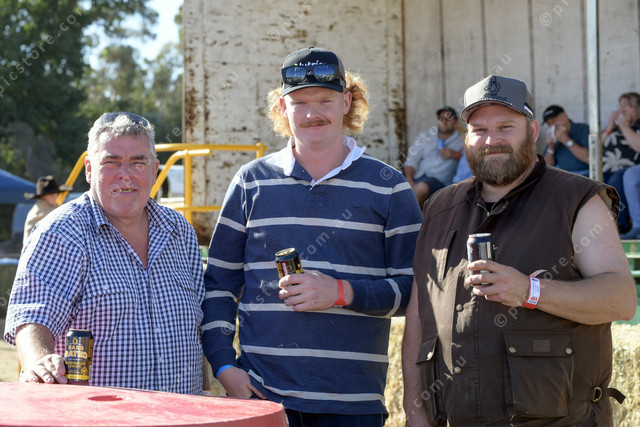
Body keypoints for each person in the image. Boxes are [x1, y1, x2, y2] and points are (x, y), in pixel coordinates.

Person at [201, 47, 422, 426]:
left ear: (347, 102)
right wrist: (224, 366)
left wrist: (340, 292)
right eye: (299, 102)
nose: (311, 113)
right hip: (262, 400)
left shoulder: (389, 187)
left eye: (324, 100)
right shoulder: (251, 182)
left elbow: (415, 294)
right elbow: (219, 285)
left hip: (353, 406)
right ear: (282, 107)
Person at [402, 75, 637, 426]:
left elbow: (621, 299)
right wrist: (415, 411)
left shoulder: (578, 199)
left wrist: (530, 291)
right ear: (466, 138)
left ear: (533, 130)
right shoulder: (439, 207)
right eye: (479, 129)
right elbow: (418, 316)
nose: (491, 140)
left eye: (505, 127)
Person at [4, 112, 205, 394]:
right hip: (99, 415)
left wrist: (206, 390)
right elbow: (33, 316)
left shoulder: (179, 231)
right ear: (89, 169)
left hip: (184, 412)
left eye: (138, 162)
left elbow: (196, 328)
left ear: (154, 170)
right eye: (111, 162)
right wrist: (40, 361)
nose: (125, 174)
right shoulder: (60, 233)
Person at [404, 106, 464, 205]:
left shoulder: (461, 140)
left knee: (421, 188)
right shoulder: (425, 136)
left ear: (456, 122)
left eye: (448, 118)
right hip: (417, 175)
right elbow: (411, 160)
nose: (444, 122)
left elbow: (470, 160)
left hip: (439, 182)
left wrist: (455, 154)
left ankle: (404, 214)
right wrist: (409, 180)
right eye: (441, 118)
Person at [601, 92, 640, 238]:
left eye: (628, 106)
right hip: (606, 169)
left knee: (616, 179)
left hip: (628, 169)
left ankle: (619, 226)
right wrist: (609, 128)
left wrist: (624, 127)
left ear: (637, 110)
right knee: (583, 179)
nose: (622, 110)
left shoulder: (636, 127)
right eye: (620, 106)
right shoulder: (612, 129)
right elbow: (594, 151)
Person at [22, 175, 72, 245]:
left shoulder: (42, 206)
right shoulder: (43, 207)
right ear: (43, 196)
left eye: (56, 193)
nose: (56, 196)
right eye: (52, 194)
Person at [541, 104, 590, 175]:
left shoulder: (583, 129)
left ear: (565, 116)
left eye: (555, 121)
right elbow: (545, 168)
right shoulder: (553, 135)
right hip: (562, 176)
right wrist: (551, 147)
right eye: (549, 124)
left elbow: (590, 159)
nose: (553, 126)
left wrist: (566, 140)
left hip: (585, 175)